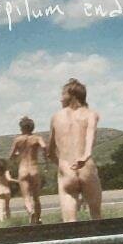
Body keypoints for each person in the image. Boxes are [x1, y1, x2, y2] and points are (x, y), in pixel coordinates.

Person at [48, 78, 102, 223]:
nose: (60, 99)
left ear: (72, 95)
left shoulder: (56, 117)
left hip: (66, 171)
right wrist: (86, 155)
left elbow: (50, 152)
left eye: (63, 94)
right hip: (87, 169)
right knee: (96, 217)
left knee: (70, 224)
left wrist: (62, 165)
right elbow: (90, 134)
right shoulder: (91, 114)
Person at [9, 116, 48, 224]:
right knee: (36, 197)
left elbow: (11, 156)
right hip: (34, 169)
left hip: (23, 169)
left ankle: (31, 212)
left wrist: (17, 154)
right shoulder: (37, 138)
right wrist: (45, 160)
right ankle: (38, 218)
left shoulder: (18, 140)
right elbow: (44, 147)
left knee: (26, 197)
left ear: (22, 128)